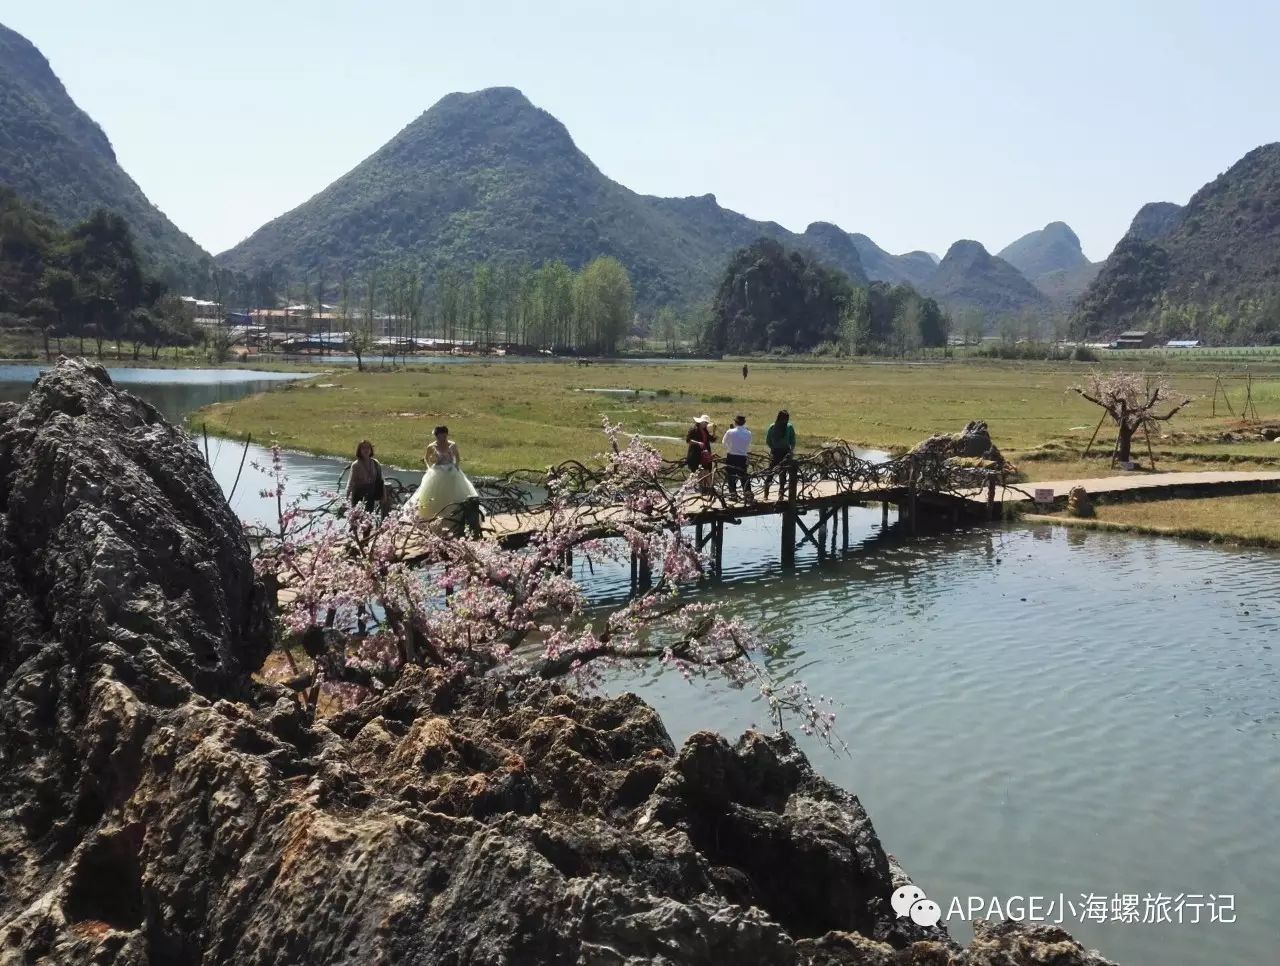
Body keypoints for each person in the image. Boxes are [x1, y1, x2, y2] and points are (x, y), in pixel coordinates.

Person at [412, 425, 480, 531]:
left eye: (444, 435)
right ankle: (433, 519)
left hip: (451, 472)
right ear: (436, 436)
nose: (443, 438)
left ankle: (456, 519)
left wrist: (456, 466)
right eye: (440, 436)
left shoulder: (452, 445)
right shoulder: (431, 446)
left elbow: (457, 458)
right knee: (434, 496)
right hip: (437, 473)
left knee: (455, 494)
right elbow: (425, 458)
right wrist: (428, 468)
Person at [345, 439, 387, 516]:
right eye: (363, 448)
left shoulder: (375, 463)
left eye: (368, 448)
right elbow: (350, 483)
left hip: (371, 495)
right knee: (357, 521)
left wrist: (384, 495)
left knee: (369, 520)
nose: (366, 450)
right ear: (359, 450)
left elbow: (381, 480)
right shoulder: (356, 465)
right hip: (358, 497)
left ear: (371, 450)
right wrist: (346, 499)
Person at [763, 409, 796, 500]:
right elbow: (792, 441)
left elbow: (768, 441)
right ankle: (779, 493)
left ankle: (767, 493)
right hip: (784, 452)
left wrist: (773, 447)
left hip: (775, 452)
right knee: (782, 473)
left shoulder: (772, 427)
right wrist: (791, 451)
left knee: (771, 472)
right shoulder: (789, 427)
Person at [721, 414, 753, 502]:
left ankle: (733, 495)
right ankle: (748, 494)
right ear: (744, 423)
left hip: (731, 456)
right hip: (742, 457)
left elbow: (724, 443)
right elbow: (748, 444)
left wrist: (730, 448)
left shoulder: (730, 432)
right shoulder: (748, 433)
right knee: (743, 476)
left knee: (731, 476)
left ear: (735, 422)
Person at [685, 414, 717, 493]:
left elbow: (711, 439)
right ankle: (700, 487)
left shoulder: (705, 430)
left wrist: (714, 431)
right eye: (704, 423)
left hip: (705, 454)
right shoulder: (693, 429)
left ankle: (706, 488)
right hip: (695, 453)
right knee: (697, 471)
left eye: (706, 423)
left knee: (706, 470)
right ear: (700, 422)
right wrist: (698, 443)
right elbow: (688, 440)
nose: (705, 424)